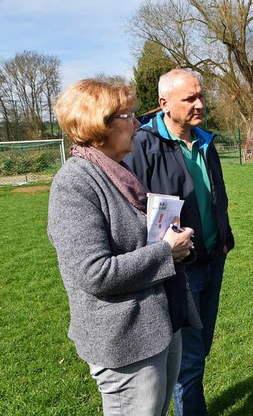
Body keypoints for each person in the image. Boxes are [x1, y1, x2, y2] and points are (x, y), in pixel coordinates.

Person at [48, 79, 201, 416]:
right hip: (125, 342)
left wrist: (172, 241)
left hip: (160, 324)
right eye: (128, 116)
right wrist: (165, 253)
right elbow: (94, 273)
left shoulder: (117, 172)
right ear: (99, 124)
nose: (137, 124)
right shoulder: (75, 183)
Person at [124, 68, 234, 416]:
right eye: (190, 99)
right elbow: (130, 208)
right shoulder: (144, 144)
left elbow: (216, 194)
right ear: (164, 103)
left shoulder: (204, 140)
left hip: (213, 260)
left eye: (201, 96)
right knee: (187, 362)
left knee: (200, 350)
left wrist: (225, 237)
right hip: (178, 268)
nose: (200, 104)